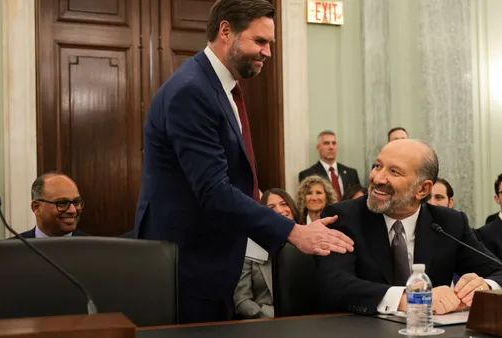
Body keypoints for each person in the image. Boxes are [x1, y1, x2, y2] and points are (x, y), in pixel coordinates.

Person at [134, 0, 353, 323]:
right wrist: (293, 231)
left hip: (213, 261)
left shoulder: (220, 86)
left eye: (270, 43)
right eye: (260, 41)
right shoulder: (192, 91)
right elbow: (213, 190)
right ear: (226, 32)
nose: (267, 52)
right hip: (187, 267)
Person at [316, 140, 502, 316]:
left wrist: (484, 286)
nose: (377, 178)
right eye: (377, 166)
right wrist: (411, 299)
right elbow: (334, 285)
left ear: (422, 189)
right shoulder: (342, 217)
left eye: (394, 171)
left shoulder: (449, 223)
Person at [233, 188, 299, 318]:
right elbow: (242, 300)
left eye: (284, 204)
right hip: (265, 323)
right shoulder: (250, 250)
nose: (280, 211)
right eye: (271, 207)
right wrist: (271, 315)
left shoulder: (309, 247)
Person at [16, 172, 87, 238]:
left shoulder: (94, 248)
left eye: (76, 202)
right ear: (36, 207)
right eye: (62, 203)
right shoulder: (12, 249)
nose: (73, 210)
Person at [298, 130, 360, 199]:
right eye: (326, 143)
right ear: (318, 148)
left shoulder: (351, 173)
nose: (331, 147)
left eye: (334, 143)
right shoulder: (308, 175)